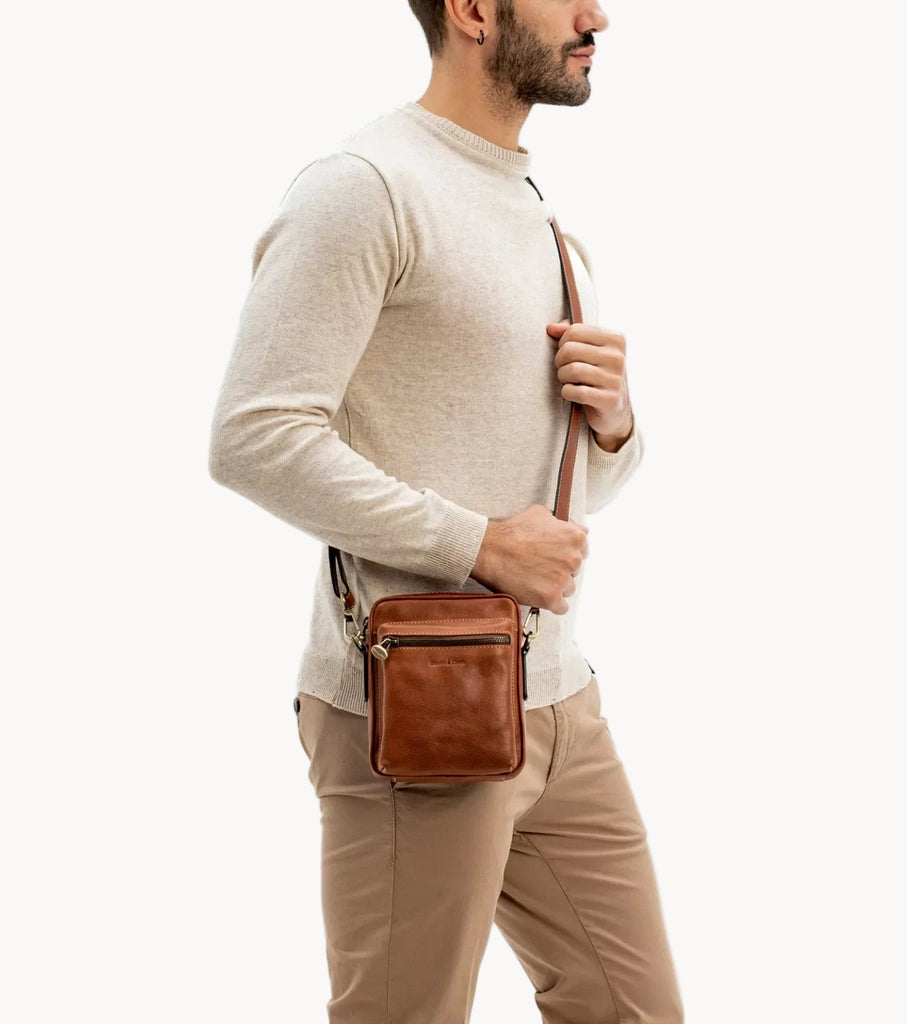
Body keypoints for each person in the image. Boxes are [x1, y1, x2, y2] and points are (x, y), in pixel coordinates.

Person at [208, 1, 684, 1020]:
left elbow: (557, 494)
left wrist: (613, 431)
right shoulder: (366, 189)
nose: (598, 14)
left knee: (632, 1007)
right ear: (473, 10)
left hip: (557, 697)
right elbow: (254, 437)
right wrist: (477, 544)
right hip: (417, 703)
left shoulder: (547, 223)